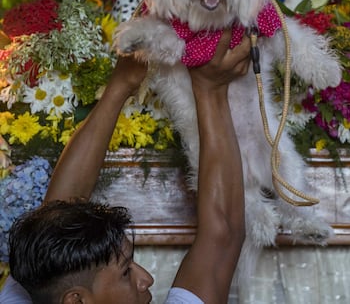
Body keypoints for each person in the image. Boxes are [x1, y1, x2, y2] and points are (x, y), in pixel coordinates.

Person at [0, 30, 250, 304]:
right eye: (125, 272)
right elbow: (222, 231)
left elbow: (59, 214)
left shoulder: (36, 289)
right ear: (76, 300)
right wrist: (210, 90)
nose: (147, 279)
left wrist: (121, 85)